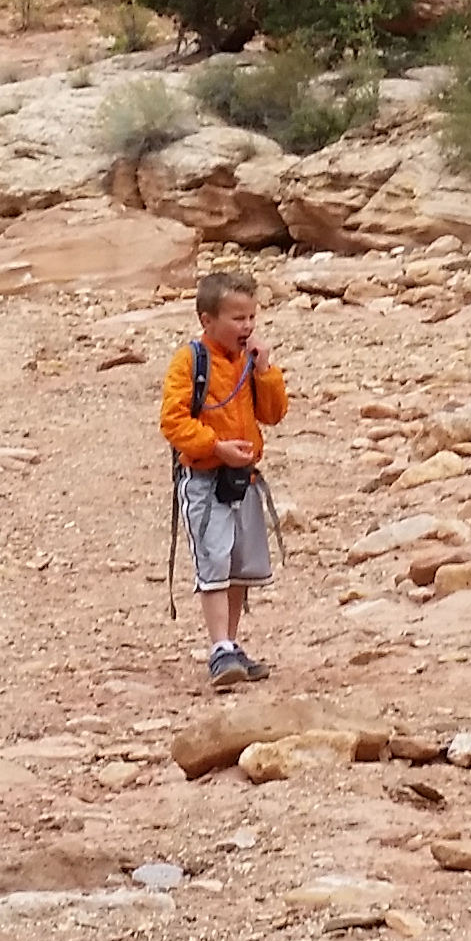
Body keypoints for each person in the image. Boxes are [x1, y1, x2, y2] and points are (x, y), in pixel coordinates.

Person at [157, 269, 285, 689]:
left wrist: (266, 372)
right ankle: (219, 647)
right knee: (213, 561)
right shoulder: (190, 361)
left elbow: (273, 414)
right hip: (205, 479)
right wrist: (215, 447)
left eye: (251, 317)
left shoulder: (248, 362)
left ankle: (231, 643)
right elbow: (173, 421)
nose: (246, 327)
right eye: (237, 318)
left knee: (237, 565)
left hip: (242, 479)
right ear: (207, 321)